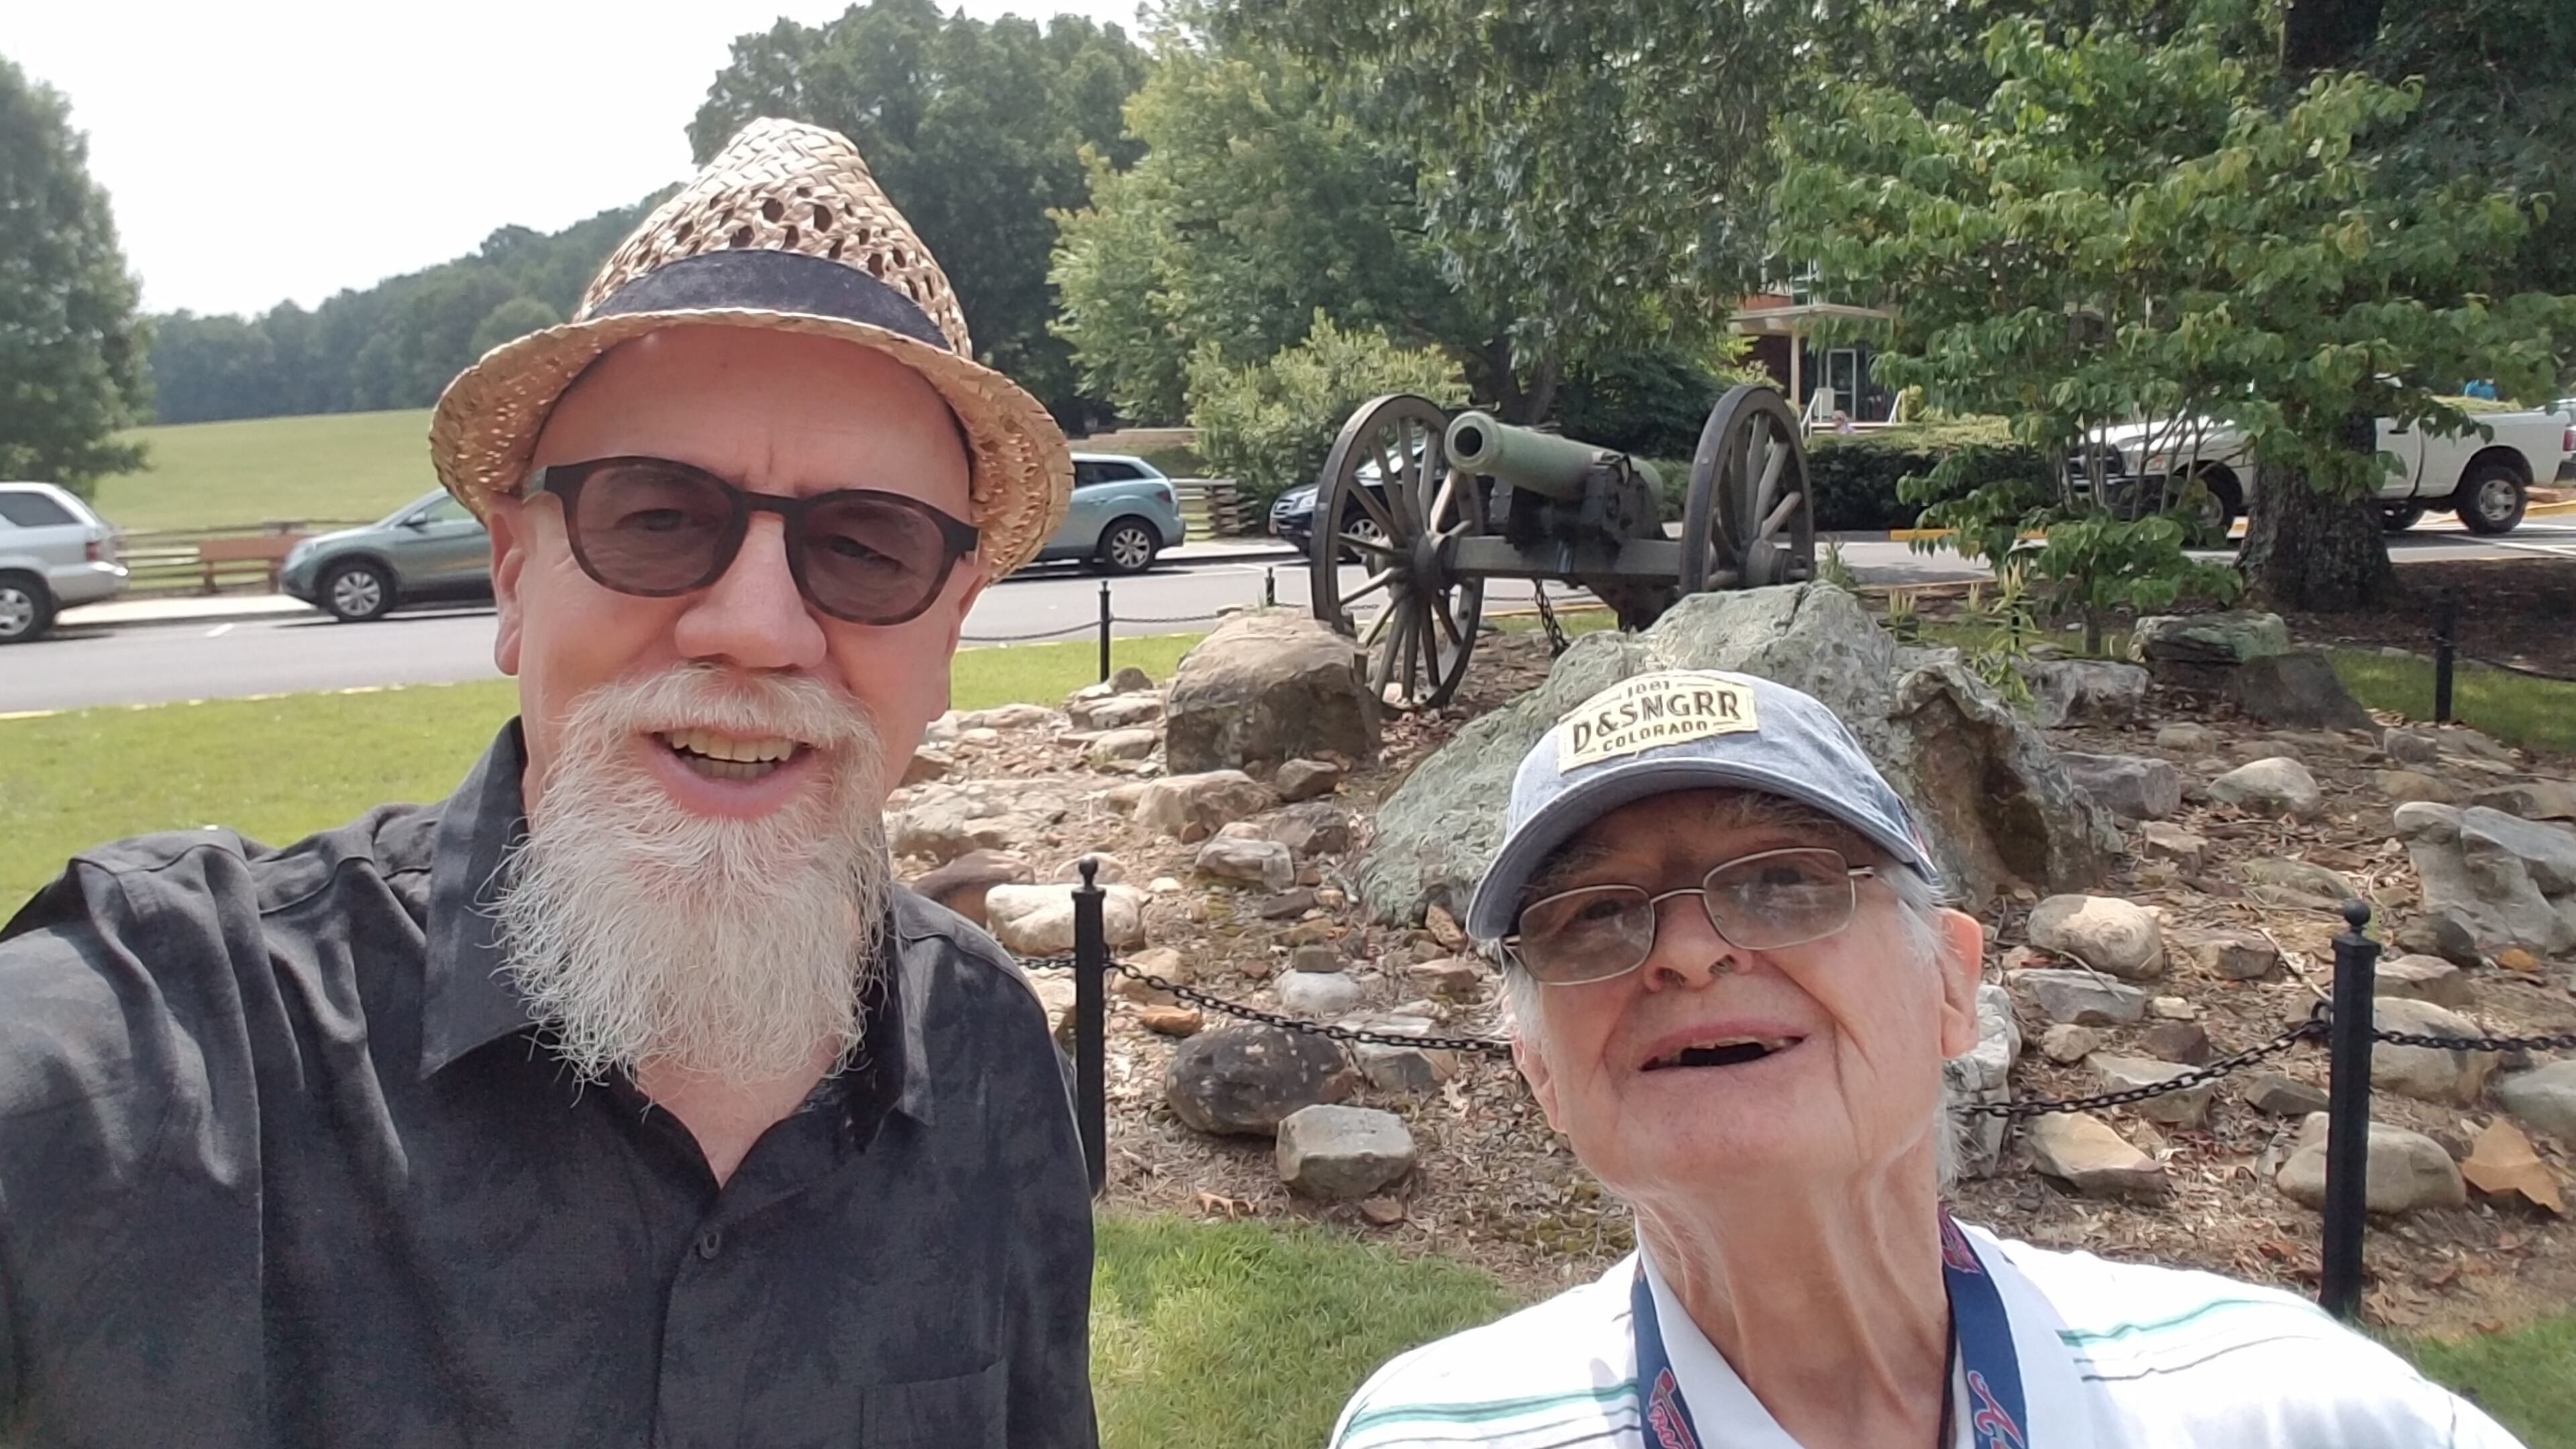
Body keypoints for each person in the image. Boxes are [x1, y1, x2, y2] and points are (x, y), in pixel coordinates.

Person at [0, 119, 1097, 1446]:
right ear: (518, 582)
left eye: (867, 548)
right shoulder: (176, 1048)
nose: (755, 628)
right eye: (655, 518)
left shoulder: (988, 1056)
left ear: (949, 633)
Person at [1331, 668, 2522, 1449]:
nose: (1687, 954)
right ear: (1539, 1068)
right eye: (1591, 916)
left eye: (1784, 882)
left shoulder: (2280, 1405)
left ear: (1953, 984)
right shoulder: (1432, 1433)